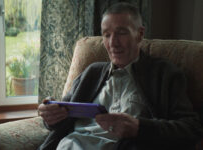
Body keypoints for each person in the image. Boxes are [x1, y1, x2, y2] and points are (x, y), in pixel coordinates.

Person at [38, 2, 203, 150]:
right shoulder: (92, 73)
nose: (113, 43)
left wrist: (139, 128)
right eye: (107, 34)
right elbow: (62, 115)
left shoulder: (164, 74)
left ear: (139, 34)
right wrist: (50, 116)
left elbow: (191, 129)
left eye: (121, 32)